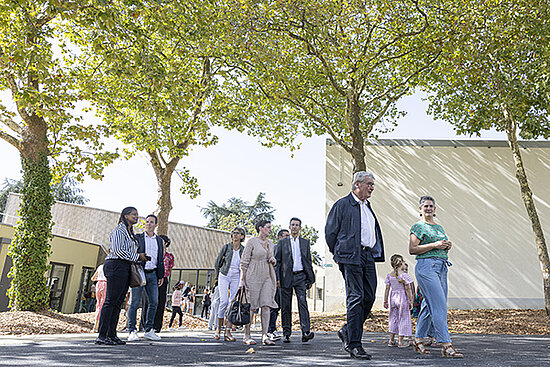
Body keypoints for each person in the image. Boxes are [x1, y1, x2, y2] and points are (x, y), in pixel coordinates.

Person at [325, 171, 385, 360]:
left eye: (373, 184)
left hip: (367, 256)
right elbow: (330, 232)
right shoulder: (342, 205)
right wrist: (338, 253)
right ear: (357, 184)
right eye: (369, 184)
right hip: (350, 256)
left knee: (369, 296)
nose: (372, 187)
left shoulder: (367, 206)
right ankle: (354, 344)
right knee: (356, 297)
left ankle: (347, 330)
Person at [409, 195, 463, 358]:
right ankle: (446, 344)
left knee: (428, 304)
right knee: (439, 304)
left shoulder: (439, 228)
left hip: (441, 267)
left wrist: (446, 246)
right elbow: (412, 249)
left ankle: (418, 340)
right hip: (426, 267)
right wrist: (435, 245)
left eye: (431, 206)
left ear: (435, 209)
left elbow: (440, 245)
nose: (429, 208)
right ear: (420, 209)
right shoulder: (418, 226)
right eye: (425, 206)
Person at [96, 207, 148, 345]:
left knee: (118, 302)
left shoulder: (130, 232)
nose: (136, 217)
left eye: (137, 215)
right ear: (125, 216)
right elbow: (118, 250)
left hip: (125, 266)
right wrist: (137, 256)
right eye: (133, 215)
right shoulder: (119, 230)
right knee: (110, 301)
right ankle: (102, 335)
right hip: (115, 265)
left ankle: (112, 334)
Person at [275, 218, 315, 343]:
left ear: (300, 228)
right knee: (285, 306)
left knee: (303, 303)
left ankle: (306, 332)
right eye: (292, 225)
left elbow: (308, 261)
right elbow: (277, 262)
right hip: (286, 277)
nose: (294, 227)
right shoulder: (282, 243)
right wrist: (277, 279)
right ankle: (286, 333)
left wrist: (310, 279)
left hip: (301, 277)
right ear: (289, 226)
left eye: (297, 225)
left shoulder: (305, 242)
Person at [239, 220, 278, 346]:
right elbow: (244, 261)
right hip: (253, 275)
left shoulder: (271, 243)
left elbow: (272, 258)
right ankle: (247, 335)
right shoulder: (251, 242)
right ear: (260, 228)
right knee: (252, 306)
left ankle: (265, 336)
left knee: (266, 305)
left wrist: (273, 259)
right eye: (268, 227)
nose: (270, 229)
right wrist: (242, 280)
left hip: (267, 275)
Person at [127, 214, 165, 342]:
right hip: (139, 272)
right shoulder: (138, 238)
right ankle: (132, 330)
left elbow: (160, 259)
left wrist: (161, 275)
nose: (148, 224)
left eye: (151, 222)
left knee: (154, 302)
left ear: (156, 225)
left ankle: (149, 330)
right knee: (134, 303)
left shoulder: (159, 241)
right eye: (147, 222)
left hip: (153, 274)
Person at [213, 227, 245, 341]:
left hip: (236, 275)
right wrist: (217, 277)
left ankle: (228, 331)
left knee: (233, 303)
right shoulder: (226, 247)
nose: (235, 235)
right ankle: (218, 328)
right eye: (234, 233)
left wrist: (243, 280)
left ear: (242, 236)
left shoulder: (243, 249)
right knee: (224, 301)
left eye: (238, 233)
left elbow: (244, 265)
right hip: (224, 274)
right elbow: (217, 263)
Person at [383, 254, 414, 348]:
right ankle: (400, 341)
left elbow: (387, 289)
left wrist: (385, 301)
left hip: (393, 298)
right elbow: (408, 288)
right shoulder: (404, 275)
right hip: (402, 298)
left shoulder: (389, 275)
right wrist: (411, 300)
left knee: (393, 318)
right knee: (403, 318)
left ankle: (391, 340)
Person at [267, 229, 289, 341]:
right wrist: (277, 280)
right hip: (276, 282)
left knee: (278, 306)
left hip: (284, 283)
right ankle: (270, 330)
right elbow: (275, 266)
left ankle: (272, 328)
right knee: (273, 306)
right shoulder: (276, 248)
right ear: (280, 237)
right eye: (286, 236)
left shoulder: (287, 250)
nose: (288, 238)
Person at [153, 234, 174, 333]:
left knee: (161, 302)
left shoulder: (169, 256)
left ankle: (157, 326)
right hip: (153, 278)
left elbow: (170, 268)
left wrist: (164, 275)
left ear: (165, 243)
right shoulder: (154, 253)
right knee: (152, 302)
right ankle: (147, 325)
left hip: (164, 279)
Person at [92, 264, 107, 332]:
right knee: (103, 305)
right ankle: (98, 325)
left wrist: (98, 278)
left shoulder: (100, 266)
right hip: (106, 284)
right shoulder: (109, 266)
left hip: (98, 284)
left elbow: (93, 278)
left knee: (98, 305)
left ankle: (95, 326)